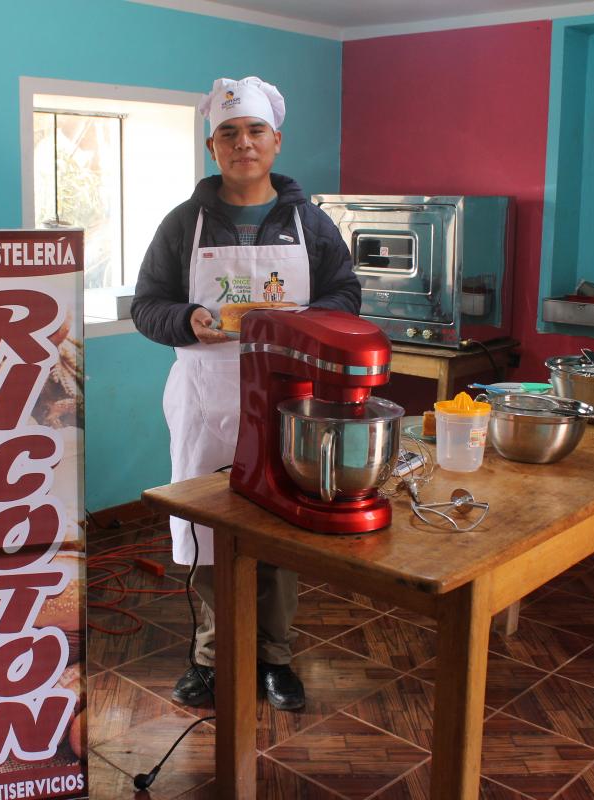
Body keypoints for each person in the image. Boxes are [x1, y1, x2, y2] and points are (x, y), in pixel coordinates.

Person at [131, 76, 360, 711]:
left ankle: (274, 658)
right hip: (204, 396)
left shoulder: (310, 223)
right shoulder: (183, 225)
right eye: (229, 133)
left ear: (276, 141)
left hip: (288, 398)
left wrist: (306, 321)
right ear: (213, 147)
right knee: (203, 530)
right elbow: (146, 306)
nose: (243, 143)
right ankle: (209, 657)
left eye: (255, 131)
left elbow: (347, 295)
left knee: (279, 526)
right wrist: (186, 321)